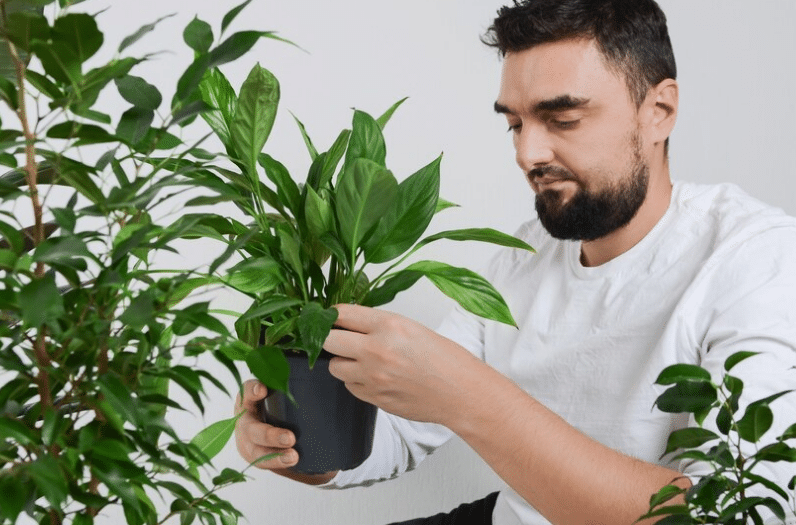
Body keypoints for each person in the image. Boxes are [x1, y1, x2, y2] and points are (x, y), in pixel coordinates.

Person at [234, 0, 796, 523]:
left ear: (659, 111)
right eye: (515, 124)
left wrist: (469, 396)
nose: (528, 154)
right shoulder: (523, 258)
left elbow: (730, 511)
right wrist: (299, 441)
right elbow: (400, 433)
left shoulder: (754, 260)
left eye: (564, 119)